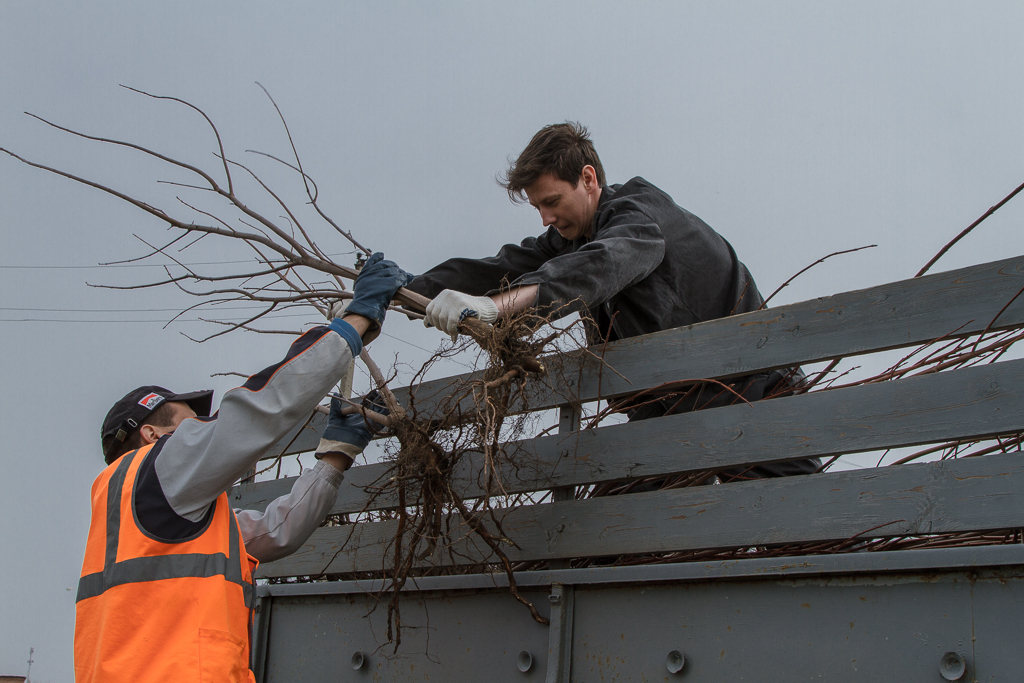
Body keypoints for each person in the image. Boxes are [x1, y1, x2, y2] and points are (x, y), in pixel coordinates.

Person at [408, 122, 817, 481]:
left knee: (797, 529)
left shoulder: (639, 217)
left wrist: (496, 308)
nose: (545, 218)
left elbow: (600, 265)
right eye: (537, 207)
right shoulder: (575, 238)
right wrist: (408, 291)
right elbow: (509, 264)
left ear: (588, 179)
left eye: (551, 201)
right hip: (667, 416)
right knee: (615, 535)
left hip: (754, 395)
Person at [74, 253, 411, 683]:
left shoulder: (150, 521)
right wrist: (356, 320)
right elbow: (261, 409)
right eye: (188, 421)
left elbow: (278, 530)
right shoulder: (156, 468)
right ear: (151, 436)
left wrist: (337, 453)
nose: (199, 429)